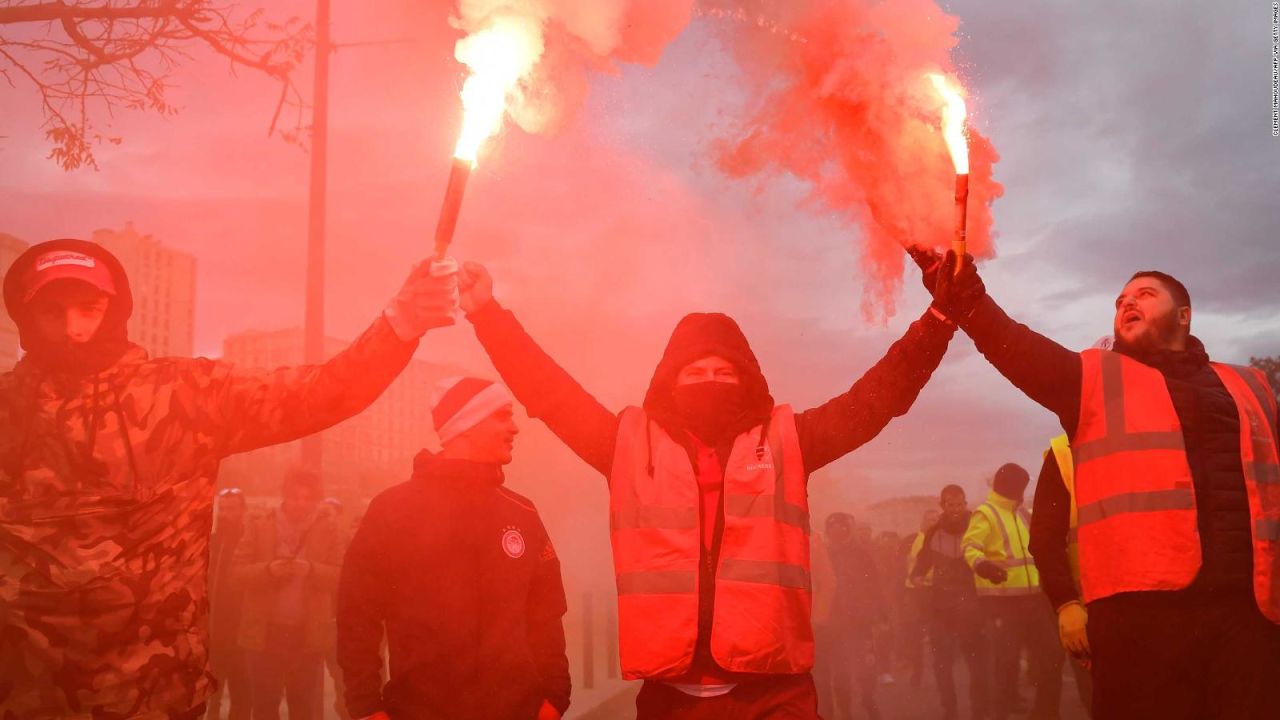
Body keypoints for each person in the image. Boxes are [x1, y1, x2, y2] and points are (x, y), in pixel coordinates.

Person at [454, 257, 956, 719]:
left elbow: (874, 402)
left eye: (724, 372)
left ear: (748, 381)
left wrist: (938, 322)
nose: (710, 382)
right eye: (695, 373)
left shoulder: (789, 441)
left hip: (775, 697)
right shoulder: (626, 445)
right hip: (670, 698)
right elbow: (551, 394)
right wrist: (487, 315)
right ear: (670, 383)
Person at [0, 238, 458, 718]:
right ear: (25, 318)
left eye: (88, 308)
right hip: (22, 697)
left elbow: (317, 394)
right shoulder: (8, 407)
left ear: (114, 311)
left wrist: (401, 324)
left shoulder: (183, 396)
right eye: (53, 312)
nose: (73, 329)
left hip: (153, 698)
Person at [920, 252, 1280, 719]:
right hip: (1141, 626)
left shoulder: (1252, 384)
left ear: (1184, 316)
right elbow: (1007, 340)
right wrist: (940, 267)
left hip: (1248, 618)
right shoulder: (1090, 379)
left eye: (1144, 295)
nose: (1127, 303)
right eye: (1120, 300)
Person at [337, 377, 571, 720]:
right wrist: (366, 706)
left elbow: (546, 614)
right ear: (467, 424)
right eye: (503, 416)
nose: (515, 428)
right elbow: (357, 615)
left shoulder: (521, 512)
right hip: (418, 711)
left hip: (516, 711)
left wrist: (554, 697)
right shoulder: (392, 510)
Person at [233, 469, 343, 720]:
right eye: (295, 497)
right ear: (284, 495)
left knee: (303, 708)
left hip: (307, 636)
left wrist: (313, 570)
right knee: (263, 706)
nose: (301, 504)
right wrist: (269, 570)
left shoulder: (328, 529)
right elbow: (236, 574)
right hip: (264, 634)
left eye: (308, 498)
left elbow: (341, 576)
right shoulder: (260, 525)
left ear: (316, 499)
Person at [962, 463, 1061, 720]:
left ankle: (1045, 713)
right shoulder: (986, 513)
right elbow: (970, 546)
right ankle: (999, 714)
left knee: (1052, 656)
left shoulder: (1023, 514)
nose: (1022, 492)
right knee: (1005, 665)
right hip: (1002, 601)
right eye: (1020, 487)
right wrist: (983, 565)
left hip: (1033, 598)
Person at [911, 485, 990, 720]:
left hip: (973, 605)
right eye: (950, 505)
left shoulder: (979, 525)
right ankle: (950, 711)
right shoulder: (933, 532)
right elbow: (922, 562)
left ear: (965, 503)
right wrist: (916, 577)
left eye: (959, 504)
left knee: (978, 664)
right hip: (941, 606)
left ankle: (979, 711)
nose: (955, 509)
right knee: (942, 663)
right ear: (942, 506)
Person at [1031, 436, 1094, 715]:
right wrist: (1066, 603)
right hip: (1091, 614)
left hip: (1157, 608)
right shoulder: (1064, 454)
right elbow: (1045, 541)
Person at [816, 512, 885, 720]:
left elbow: (875, 587)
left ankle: (867, 699)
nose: (837, 534)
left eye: (842, 529)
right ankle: (844, 711)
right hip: (832, 623)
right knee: (840, 672)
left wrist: (881, 617)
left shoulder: (862, 555)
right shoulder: (823, 554)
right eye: (833, 530)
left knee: (864, 667)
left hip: (858, 621)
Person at [208, 488, 251, 720]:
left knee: (242, 694)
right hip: (215, 630)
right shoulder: (212, 540)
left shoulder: (250, 538)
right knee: (211, 695)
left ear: (243, 510)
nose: (226, 514)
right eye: (223, 509)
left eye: (232, 508)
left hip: (241, 631)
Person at [902, 509, 941, 688]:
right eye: (929, 519)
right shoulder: (912, 540)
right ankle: (916, 672)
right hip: (914, 593)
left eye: (936, 519)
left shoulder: (940, 540)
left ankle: (940, 670)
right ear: (922, 521)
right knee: (914, 635)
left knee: (937, 634)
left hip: (934, 592)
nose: (932, 522)